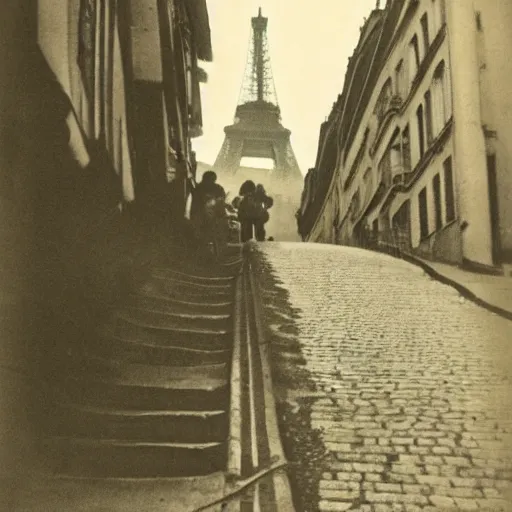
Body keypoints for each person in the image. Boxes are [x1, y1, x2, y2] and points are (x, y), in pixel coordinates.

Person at [190, 171, 227, 252]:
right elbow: (221, 203)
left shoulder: (198, 188)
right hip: (209, 220)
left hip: (202, 220)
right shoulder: (218, 189)